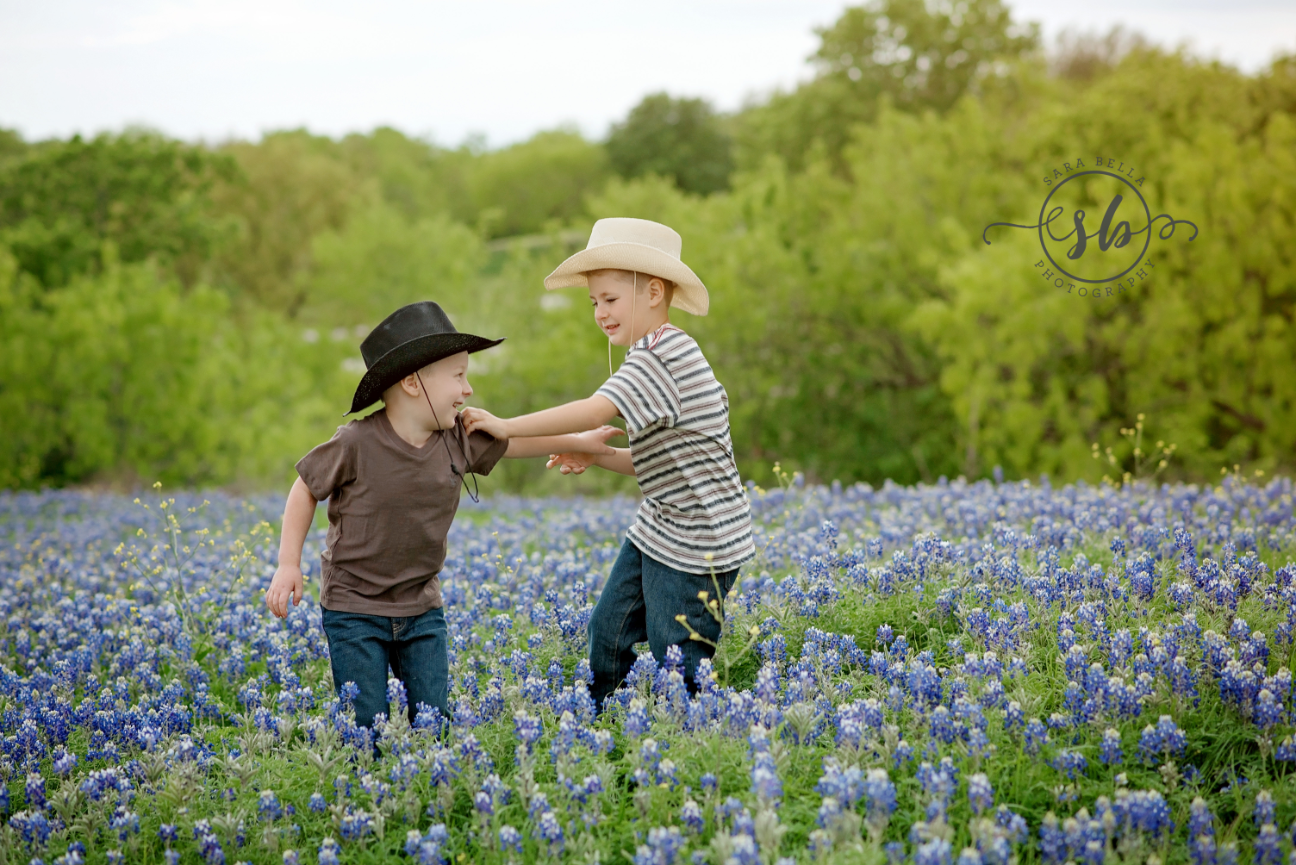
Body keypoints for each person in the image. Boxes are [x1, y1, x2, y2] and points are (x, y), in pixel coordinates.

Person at [264, 300, 619, 736]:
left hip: (421, 606)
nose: (468, 389)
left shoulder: (457, 439)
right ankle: (368, 794)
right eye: (458, 376)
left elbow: (516, 443)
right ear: (414, 383)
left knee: (433, 723)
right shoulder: (355, 442)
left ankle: (427, 790)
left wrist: (580, 440)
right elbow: (305, 487)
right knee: (364, 725)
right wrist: (288, 562)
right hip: (354, 606)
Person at [461, 218, 756, 711]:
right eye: (594, 302)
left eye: (611, 299)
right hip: (661, 525)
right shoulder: (652, 354)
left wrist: (507, 426)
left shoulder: (662, 356)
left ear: (655, 292)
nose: (600, 312)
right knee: (607, 629)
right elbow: (655, 465)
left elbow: (596, 410)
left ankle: (681, 739)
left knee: (675, 661)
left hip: (698, 540)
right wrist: (597, 455)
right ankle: (600, 725)